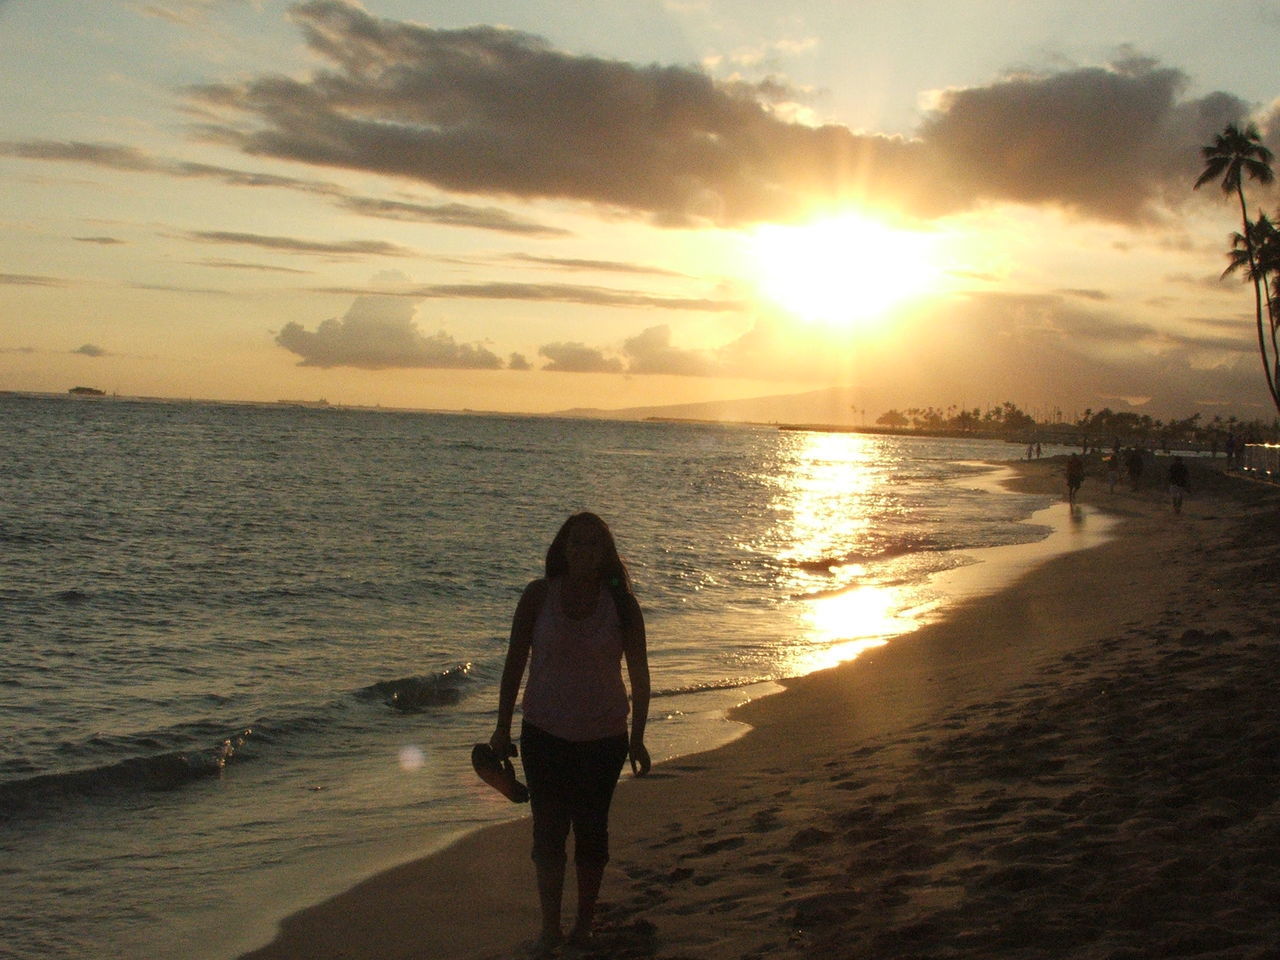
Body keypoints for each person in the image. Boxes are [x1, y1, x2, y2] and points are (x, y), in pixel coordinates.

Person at [490, 512, 651, 954]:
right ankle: (550, 929)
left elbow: (640, 676)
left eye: (592, 544)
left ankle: (584, 925)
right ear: (562, 548)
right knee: (548, 832)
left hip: (604, 738)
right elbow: (514, 663)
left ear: (606, 555)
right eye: (575, 543)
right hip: (544, 734)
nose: (582, 551)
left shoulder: (622, 606)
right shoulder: (538, 597)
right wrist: (502, 727)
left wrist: (637, 738)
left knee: (592, 833)